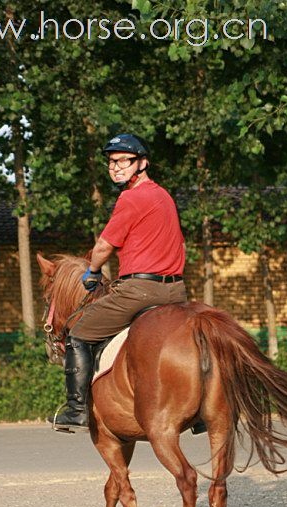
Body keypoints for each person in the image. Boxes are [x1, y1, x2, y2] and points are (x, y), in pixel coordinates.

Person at [49, 133, 187, 430]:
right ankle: (197, 415)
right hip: (177, 291)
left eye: (124, 160)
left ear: (143, 163)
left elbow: (102, 247)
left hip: (141, 290)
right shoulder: (163, 196)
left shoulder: (131, 197)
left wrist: (93, 272)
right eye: (112, 162)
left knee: (77, 333)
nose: (116, 167)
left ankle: (76, 410)